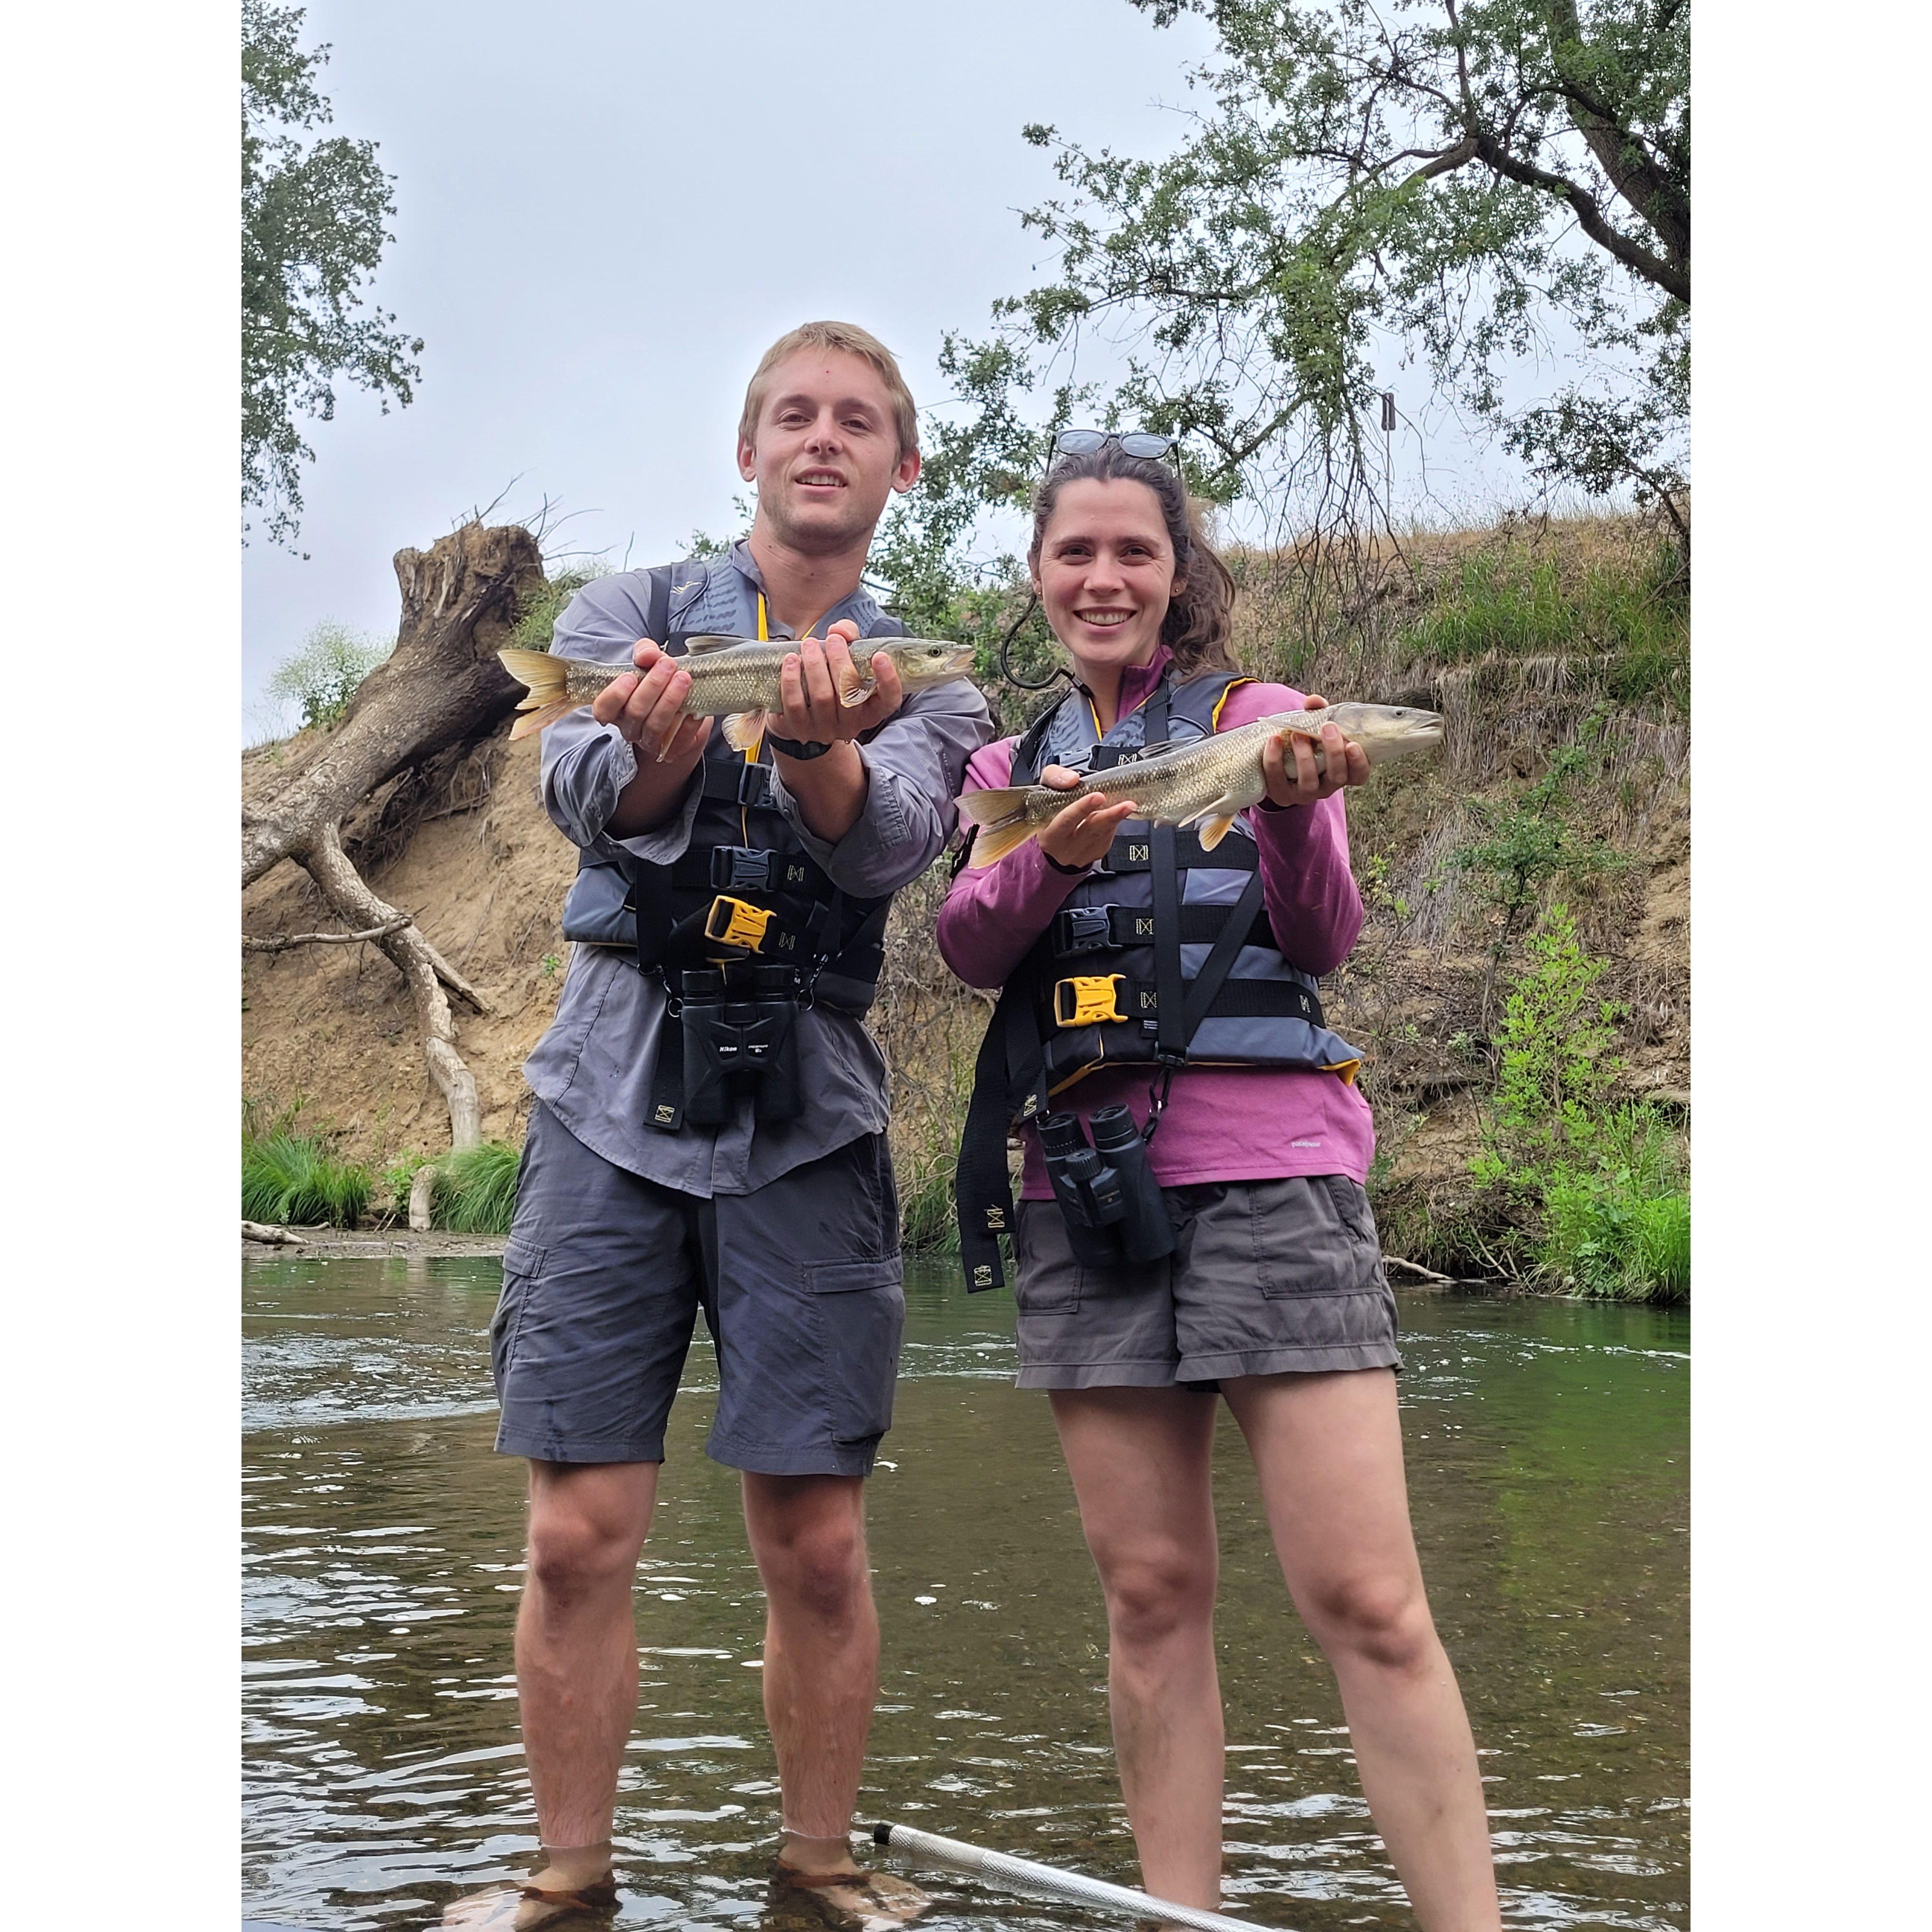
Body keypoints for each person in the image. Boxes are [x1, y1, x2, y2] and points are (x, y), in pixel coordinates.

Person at [447, 322, 991, 1931]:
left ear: (902, 466)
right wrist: (648, 754)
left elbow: (892, 845)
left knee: (817, 1542)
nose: (824, 439)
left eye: (859, 421)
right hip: (608, 1095)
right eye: (794, 416)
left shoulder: (925, 680)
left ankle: (818, 1872)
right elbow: (571, 793)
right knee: (575, 1532)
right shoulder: (624, 617)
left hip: (810, 1110)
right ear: (746, 452)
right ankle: (567, 1878)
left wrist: (822, 749)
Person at [938, 434, 1502, 1929]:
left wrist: (1300, 805)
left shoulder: (1265, 721)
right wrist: (1053, 856)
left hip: (1274, 1179)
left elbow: (1321, 941)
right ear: (1039, 574)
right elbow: (971, 946)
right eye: (1076, 552)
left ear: (1176, 571)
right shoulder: (1004, 768)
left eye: (1135, 551)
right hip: (1084, 1193)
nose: (1104, 577)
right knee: (1147, 1598)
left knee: (1370, 1602)